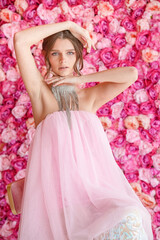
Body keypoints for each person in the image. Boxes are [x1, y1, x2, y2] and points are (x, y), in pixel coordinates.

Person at [13, 21, 153, 240]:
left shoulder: (90, 98)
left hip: (96, 199)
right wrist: (69, 24)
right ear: (47, 58)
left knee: (131, 214)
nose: (63, 60)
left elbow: (131, 73)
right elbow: (20, 40)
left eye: (70, 53)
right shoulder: (41, 96)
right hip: (64, 206)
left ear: (78, 57)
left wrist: (81, 79)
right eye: (55, 54)